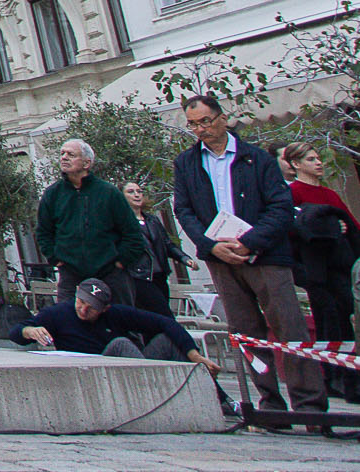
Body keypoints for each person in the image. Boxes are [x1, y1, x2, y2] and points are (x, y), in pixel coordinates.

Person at [172, 94, 327, 428]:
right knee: (246, 332)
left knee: (289, 325)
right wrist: (210, 246)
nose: (201, 129)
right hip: (221, 257)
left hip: (265, 254)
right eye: (193, 124)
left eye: (206, 121)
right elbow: (183, 209)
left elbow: (280, 206)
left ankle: (310, 406)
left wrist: (250, 241)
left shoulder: (256, 159)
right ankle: (270, 403)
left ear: (221, 118)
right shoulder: (186, 163)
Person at [282, 142, 360, 402]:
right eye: (311, 159)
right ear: (296, 164)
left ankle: (351, 379)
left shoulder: (329, 194)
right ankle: (331, 377)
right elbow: (293, 227)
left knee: (346, 315)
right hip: (314, 268)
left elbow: (351, 222)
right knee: (327, 319)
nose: (319, 163)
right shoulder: (292, 193)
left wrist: (343, 227)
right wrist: (328, 227)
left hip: (339, 265)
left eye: (318, 158)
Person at [18, 277, 218, 367]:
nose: (84, 310)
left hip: (129, 364)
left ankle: (219, 399)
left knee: (168, 339)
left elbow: (166, 323)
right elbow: (16, 332)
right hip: (93, 368)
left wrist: (195, 356)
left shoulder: (116, 314)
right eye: (81, 302)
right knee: (120, 344)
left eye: (92, 308)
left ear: (104, 309)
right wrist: (29, 330)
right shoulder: (58, 312)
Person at [35, 139, 142, 306]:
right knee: (68, 322)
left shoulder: (108, 192)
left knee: (121, 321)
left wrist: (120, 261)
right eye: (62, 153)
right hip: (71, 274)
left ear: (87, 163)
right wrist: (55, 258)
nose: (64, 157)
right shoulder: (52, 194)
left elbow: (132, 232)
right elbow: (43, 232)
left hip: (111, 273)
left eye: (71, 154)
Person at [123, 180, 189, 319]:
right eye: (131, 192)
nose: (137, 195)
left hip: (159, 275)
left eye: (139, 191)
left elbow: (167, 243)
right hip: (139, 276)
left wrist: (184, 258)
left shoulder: (152, 220)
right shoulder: (121, 222)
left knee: (154, 319)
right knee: (166, 317)